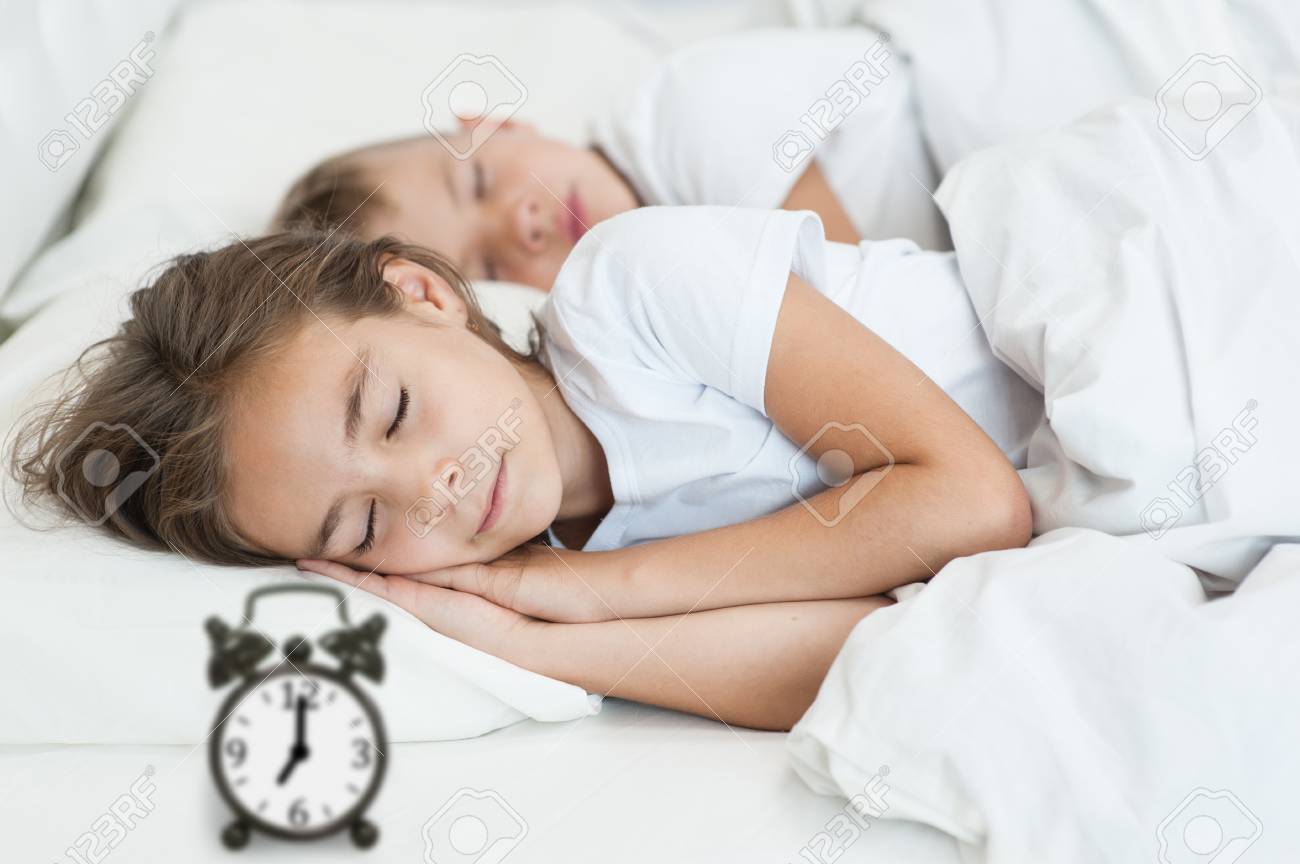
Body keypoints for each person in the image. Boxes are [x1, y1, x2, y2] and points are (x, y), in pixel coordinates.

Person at [10, 206, 1034, 730]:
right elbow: (867, 659)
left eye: (394, 412)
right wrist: (528, 642)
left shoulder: (631, 292)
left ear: (421, 294)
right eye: (364, 527)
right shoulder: (553, 573)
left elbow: (973, 503)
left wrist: (592, 595)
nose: (433, 488)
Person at [272, 29, 947, 293]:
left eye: (478, 181)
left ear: (497, 124)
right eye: (487, 268)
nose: (521, 223)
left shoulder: (685, 119)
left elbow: (876, 314)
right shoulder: (653, 287)